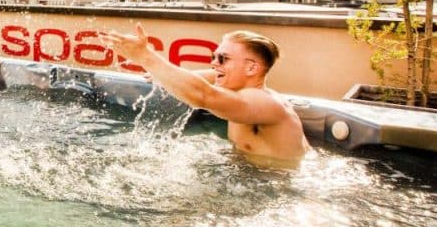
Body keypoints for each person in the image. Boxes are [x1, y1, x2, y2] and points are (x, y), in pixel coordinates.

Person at [104, 24, 310, 166]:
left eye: (223, 59)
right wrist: (161, 74)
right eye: (214, 57)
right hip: (248, 175)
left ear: (251, 68)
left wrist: (146, 56)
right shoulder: (236, 87)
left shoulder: (264, 102)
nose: (214, 63)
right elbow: (202, 79)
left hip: (277, 188)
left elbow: (203, 95)